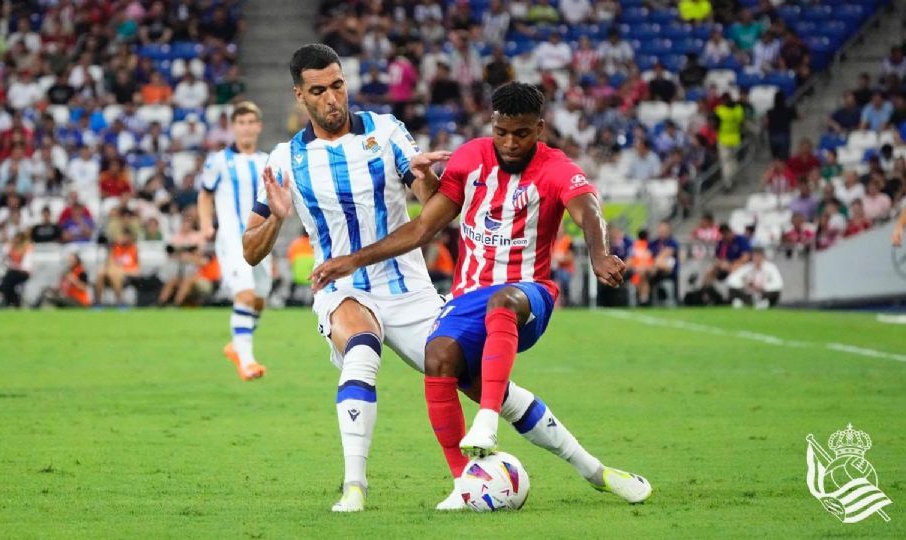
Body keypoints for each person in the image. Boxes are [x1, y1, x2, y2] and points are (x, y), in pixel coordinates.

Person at [244, 48, 647, 513]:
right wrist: (275, 220)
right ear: (300, 95)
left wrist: (426, 179)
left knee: (482, 385)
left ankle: (594, 471)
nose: (332, 97)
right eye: (319, 90)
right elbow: (251, 249)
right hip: (343, 285)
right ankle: (355, 487)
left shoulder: (386, 132)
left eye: (337, 85)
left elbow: (430, 212)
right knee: (361, 348)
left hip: (410, 289)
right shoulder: (284, 160)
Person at [197, 101, 272, 381]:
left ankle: (236, 346)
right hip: (232, 238)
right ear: (233, 127)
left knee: (260, 299)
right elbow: (205, 194)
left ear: (258, 126)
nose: (246, 127)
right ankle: (247, 361)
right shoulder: (218, 161)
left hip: (261, 239)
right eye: (241, 122)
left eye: (251, 122)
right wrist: (206, 225)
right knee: (246, 295)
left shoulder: (268, 160)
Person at [94, 229, 139, 307]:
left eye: (125, 236)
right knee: (101, 273)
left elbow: (137, 270)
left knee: (113, 273)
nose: (123, 238)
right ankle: (98, 303)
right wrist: (111, 249)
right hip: (111, 272)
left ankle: (120, 302)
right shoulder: (115, 248)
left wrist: (121, 270)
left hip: (126, 275)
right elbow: (108, 264)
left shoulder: (133, 249)